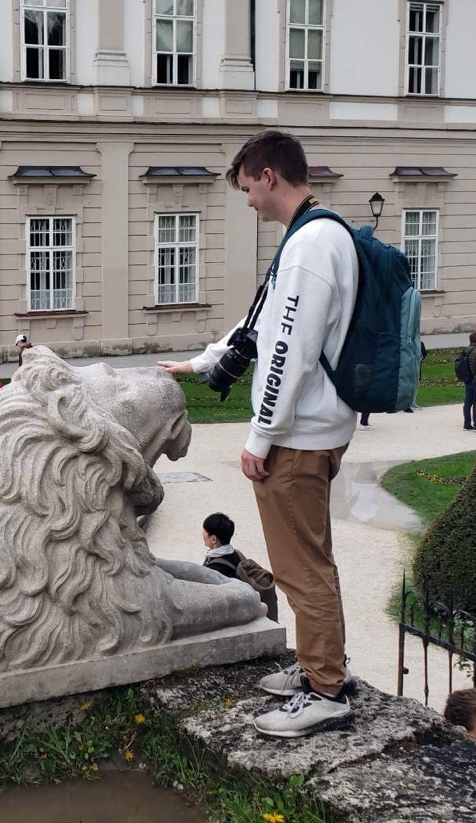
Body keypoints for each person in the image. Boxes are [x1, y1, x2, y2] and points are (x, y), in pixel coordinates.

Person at [157, 130, 359, 739]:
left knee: (301, 568)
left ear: (269, 176)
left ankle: (326, 691)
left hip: (298, 437)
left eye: (247, 187)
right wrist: (199, 362)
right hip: (313, 427)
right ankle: (319, 666)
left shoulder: (308, 247)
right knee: (309, 560)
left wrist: (260, 435)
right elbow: (262, 327)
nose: (246, 200)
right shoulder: (318, 232)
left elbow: (289, 352)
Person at [201, 513, 278, 622]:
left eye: (205, 531)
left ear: (213, 539)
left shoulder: (215, 568)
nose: (202, 533)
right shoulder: (236, 553)